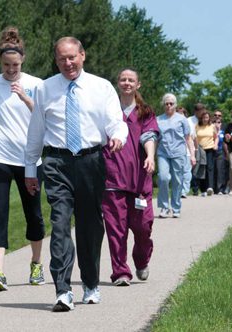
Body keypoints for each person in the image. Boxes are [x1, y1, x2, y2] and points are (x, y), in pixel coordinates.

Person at [24, 36, 128, 312]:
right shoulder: (45, 89)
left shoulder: (101, 87)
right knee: (59, 223)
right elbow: (36, 131)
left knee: (90, 226)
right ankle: (63, 289)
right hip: (57, 162)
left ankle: (91, 284)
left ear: (82, 56)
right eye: (61, 59)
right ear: (55, 60)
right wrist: (30, 168)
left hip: (91, 161)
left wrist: (117, 137)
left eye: (72, 57)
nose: (67, 63)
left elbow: (116, 122)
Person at [0, 27, 45, 292]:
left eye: (15, 64)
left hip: (30, 159)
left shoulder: (37, 84)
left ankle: (36, 263)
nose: (10, 69)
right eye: (6, 65)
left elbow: (44, 117)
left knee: (34, 214)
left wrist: (26, 98)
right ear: (0, 62)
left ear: (23, 60)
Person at [101, 69, 158, 287]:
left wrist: (150, 156)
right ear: (118, 83)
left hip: (139, 181)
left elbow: (149, 135)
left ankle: (141, 260)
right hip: (112, 179)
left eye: (131, 80)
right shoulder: (108, 110)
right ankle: (120, 272)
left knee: (143, 227)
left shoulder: (145, 112)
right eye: (123, 79)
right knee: (116, 229)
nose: (126, 83)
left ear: (138, 84)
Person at [157, 93, 196, 218]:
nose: (168, 106)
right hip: (163, 153)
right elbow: (155, 139)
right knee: (163, 178)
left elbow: (188, 138)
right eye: (166, 103)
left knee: (177, 180)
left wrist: (193, 155)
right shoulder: (158, 119)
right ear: (163, 105)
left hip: (179, 153)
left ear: (175, 105)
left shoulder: (181, 119)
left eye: (171, 104)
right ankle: (164, 207)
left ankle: (176, 207)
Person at [194, 111, 218, 196]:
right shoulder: (197, 126)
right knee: (201, 168)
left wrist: (215, 145)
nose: (205, 119)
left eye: (207, 117)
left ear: (209, 118)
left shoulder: (212, 126)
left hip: (210, 149)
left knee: (210, 168)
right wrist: (196, 148)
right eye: (204, 117)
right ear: (201, 118)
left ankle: (210, 187)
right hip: (200, 150)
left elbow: (216, 137)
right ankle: (203, 189)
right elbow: (195, 138)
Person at [188, 103, 205, 195]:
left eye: (202, 109)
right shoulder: (190, 120)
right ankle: (194, 188)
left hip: (205, 146)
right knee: (194, 168)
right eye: (199, 110)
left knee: (202, 167)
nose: (201, 111)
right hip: (193, 146)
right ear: (195, 111)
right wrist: (194, 149)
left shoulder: (205, 120)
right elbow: (190, 135)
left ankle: (202, 188)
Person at [177, 106, 192, 198]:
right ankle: (177, 190)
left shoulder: (189, 124)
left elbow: (192, 139)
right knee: (178, 173)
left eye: (181, 113)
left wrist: (193, 153)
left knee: (186, 172)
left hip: (187, 152)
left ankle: (184, 191)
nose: (179, 115)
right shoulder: (172, 124)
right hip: (176, 152)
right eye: (178, 113)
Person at [213, 117, 227, 194]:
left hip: (221, 151)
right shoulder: (211, 132)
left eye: (218, 122)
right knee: (213, 169)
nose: (217, 124)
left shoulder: (222, 132)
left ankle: (220, 188)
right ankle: (213, 187)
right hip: (212, 152)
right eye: (215, 122)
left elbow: (225, 142)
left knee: (220, 169)